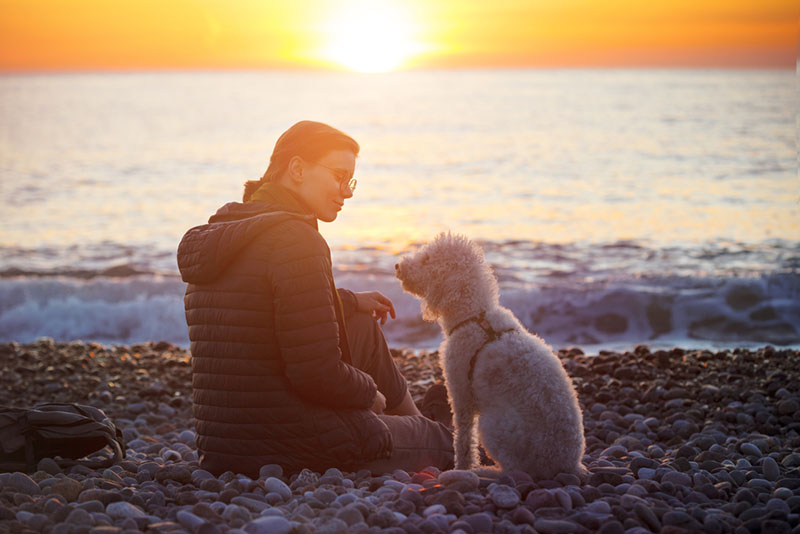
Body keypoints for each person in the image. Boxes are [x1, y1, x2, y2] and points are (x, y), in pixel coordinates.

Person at [177, 120, 453, 477]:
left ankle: (413, 421)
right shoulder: (298, 240)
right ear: (297, 168)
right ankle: (427, 430)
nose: (347, 192)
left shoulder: (227, 231)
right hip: (289, 445)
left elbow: (264, 306)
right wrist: (369, 395)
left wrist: (350, 302)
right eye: (339, 176)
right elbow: (315, 372)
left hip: (223, 445)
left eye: (350, 180)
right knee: (441, 441)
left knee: (358, 325)